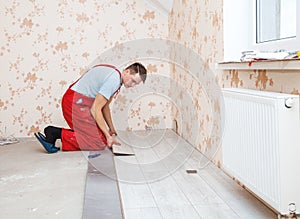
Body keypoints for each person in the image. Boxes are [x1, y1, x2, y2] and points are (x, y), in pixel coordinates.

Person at [34, 62, 147, 153]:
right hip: (74, 103)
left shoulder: (116, 78)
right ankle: (54, 133)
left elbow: (104, 107)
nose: (132, 85)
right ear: (127, 72)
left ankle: (54, 133)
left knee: (101, 136)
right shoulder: (113, 80)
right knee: (98, 141)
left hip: (80, 102)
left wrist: (111, 128)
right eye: (132, 80)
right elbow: (95, 109)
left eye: (135, 84)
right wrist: (107, 136)